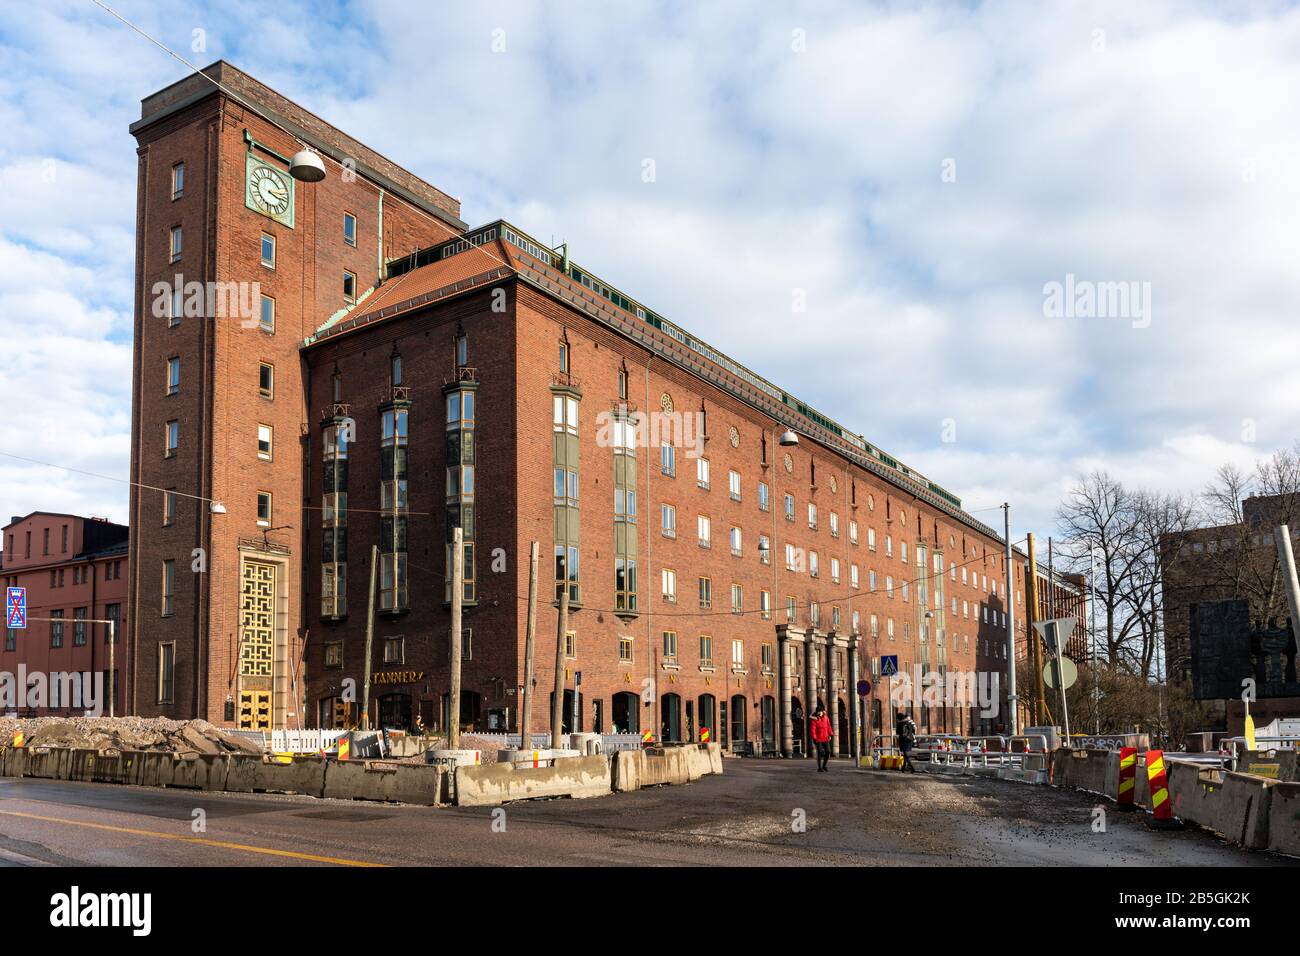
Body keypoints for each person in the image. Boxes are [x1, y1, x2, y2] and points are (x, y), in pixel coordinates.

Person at [810, 706, 833, 771]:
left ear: (823, 711)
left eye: (820, 711)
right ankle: (819, 768)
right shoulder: (814, 719)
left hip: (825, 738)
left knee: (828, 752)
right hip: (818, 739)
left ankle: (824, 766)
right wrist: (814, 738)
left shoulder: (826, 718)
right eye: (818, 712)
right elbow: (813, 729)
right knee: (819, 752)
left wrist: (830, 734)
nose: (819, 713)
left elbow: (829, 726)